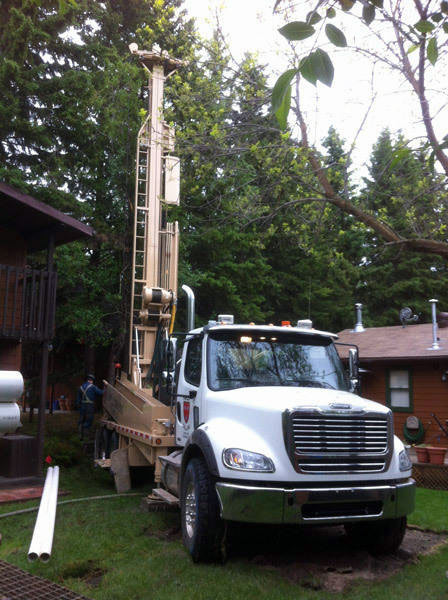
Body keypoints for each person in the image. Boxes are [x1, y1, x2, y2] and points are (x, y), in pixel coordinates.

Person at [76, 374, 103, 440]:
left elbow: (78, 400)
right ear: (92, 380)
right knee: (88, 420)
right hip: (89, 406)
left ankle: (80, 436)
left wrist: (79, 407)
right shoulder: (92, 387)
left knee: (81, 420)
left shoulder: (81, 387)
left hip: (82, 406)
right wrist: (106, 389)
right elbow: (101, 393)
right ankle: (86, 437)